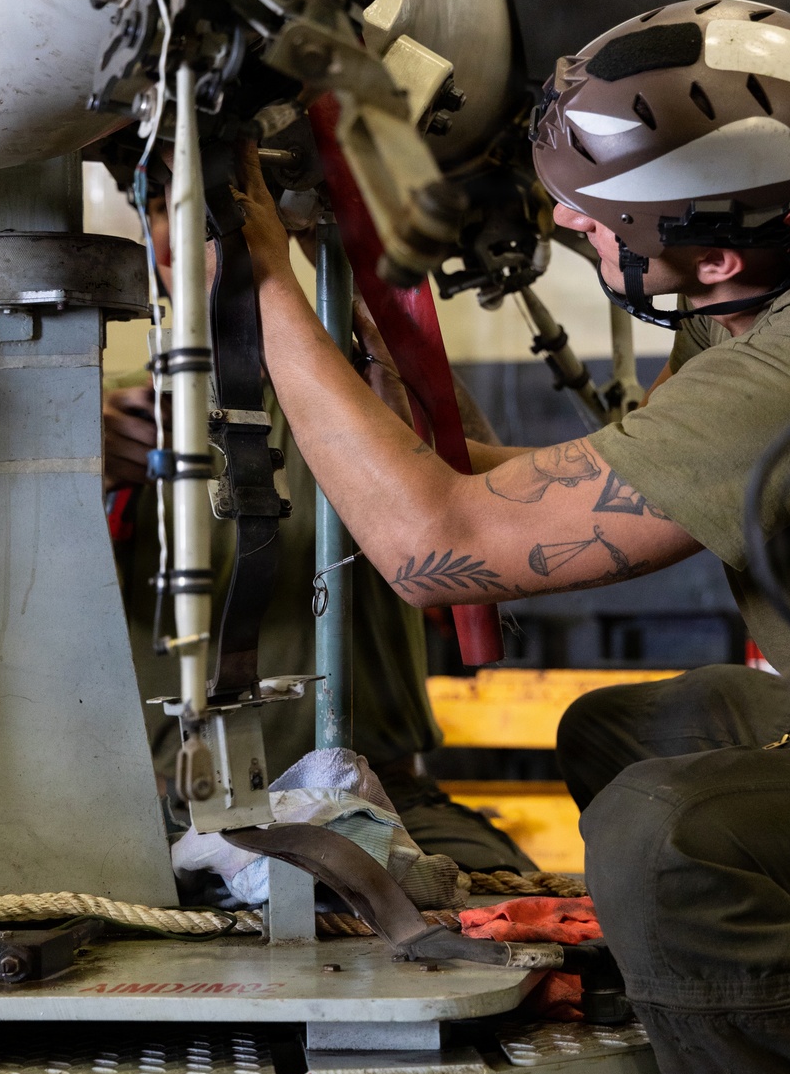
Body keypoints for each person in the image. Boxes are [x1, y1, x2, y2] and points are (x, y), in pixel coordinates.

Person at [235, 0, 790, 1074]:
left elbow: (432, 548)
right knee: (629, 728)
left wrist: (254, 284)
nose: (561, 220)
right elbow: (584, 484)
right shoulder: (779, 281)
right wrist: (387, 408)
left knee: (663, 834)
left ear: (711, 252)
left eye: (592, 216)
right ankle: (735, 1005)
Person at [103, 187, 533, 875]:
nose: (178, 222)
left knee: (487, 917)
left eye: (213, 200)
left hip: (377, 799)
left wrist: (364, 284)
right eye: (158, 204)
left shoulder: (358, 400)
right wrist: (76, 465)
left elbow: (476, 498)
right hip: (159, 812)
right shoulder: (111, 423)